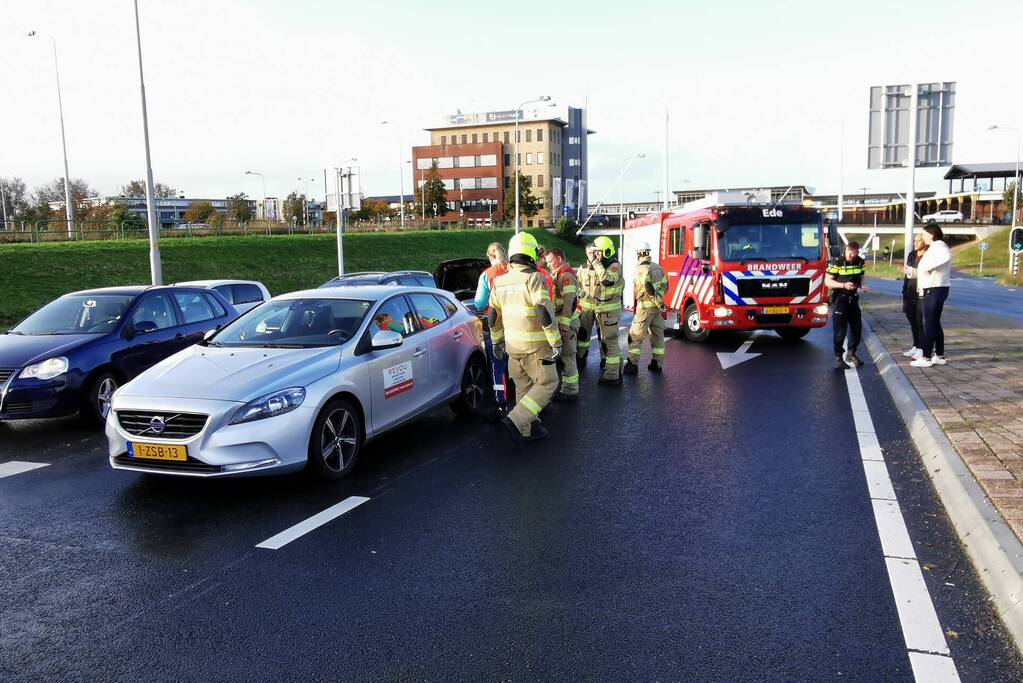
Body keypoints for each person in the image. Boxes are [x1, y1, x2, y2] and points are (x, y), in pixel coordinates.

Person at [488, 232, 562, 442]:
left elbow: (493, 317)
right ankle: (516, 420)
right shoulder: (534, 278)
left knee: (524, 387)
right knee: (549, 383)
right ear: (531, 252)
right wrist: (555, 342)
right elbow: (543, 311)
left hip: (513, 348)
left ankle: (527, 430)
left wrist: (497, 341)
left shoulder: (499, 282)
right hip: (536, 347)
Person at [475, 242, 510, 411]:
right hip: (518, 322)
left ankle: (501, 401)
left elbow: (480, 303)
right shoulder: (514, 269)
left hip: (496, 325)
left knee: (498, 364)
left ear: (490, 256)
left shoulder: (487, 275)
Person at [911, 224, 952, 368]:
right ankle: (939, 355)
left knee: (929, 323)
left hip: (935, 288)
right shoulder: (934, 247)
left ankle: (926, 357)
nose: (922, 237)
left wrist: (927, 267)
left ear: (932, 234)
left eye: (924, 234)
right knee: (934, 322)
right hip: (934, 288)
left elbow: (943, 258)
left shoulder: (940, 247)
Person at [824, 240, 869, 370]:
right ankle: (838, 358)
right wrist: (843, 285)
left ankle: (851, 353)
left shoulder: (859, 261)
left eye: (854, 254)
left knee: (857, 329)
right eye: (850, 253)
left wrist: (863, 285)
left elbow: (862, 276)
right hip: (840, 299)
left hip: (853, 299)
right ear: (846, 249)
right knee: (840, 331)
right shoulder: (836, 261)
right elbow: (828, 281)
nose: (851, 256)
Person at [625, 241, 669, 374]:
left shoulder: (641, 269)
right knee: (657, 336)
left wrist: (656, 300)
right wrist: (659, 301)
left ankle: (632, 365)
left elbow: (648, 288)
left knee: (635, 335)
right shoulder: (657, 267)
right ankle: (657, 363)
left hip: (644, 309)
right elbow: (665, 286)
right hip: (656, 310)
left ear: (639, 253)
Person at [544, 248, 580, 401]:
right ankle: (567, 389)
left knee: (568, 357)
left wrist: (564, 326)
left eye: (550, 261)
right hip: (564, 322)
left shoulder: (565, 275)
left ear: (559, 259)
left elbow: (570, 301)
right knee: (565, 357)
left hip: (567, 323)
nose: (549, 265)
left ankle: (570, 391)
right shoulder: (560, 274)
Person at [590, 235, 624, 385]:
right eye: (595, 252)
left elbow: (607, 281)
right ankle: (618, 370)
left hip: (609, 312)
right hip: (603, 311)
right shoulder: (604, 265)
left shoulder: (614, 266)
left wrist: (595, 262)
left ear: (607, 252)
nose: (596, 255)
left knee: (610, 343)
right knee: (610, 343)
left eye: (599, 252)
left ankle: (612, 376)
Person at [900, 234, 926, 359]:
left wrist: (911, 271)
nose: (915, 243)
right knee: (912, 321)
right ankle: (916, 345)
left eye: (918, 241)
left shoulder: (928, 256)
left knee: (920, 321)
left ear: (924, 241)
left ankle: (921, 348)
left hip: (920, 292)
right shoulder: (912, 254)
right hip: (909, 291)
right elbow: (908, 272)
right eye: (914, 240)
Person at [576, 243, 601, 367]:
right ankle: (581, 356)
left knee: (603, 334)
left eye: (593, 252)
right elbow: (578, 284)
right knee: (583, 334)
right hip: (586, 307)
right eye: (589, 252)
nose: (591, 255)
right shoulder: (582, 268)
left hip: (601, 307)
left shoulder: (602, 267)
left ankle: (604, 359)